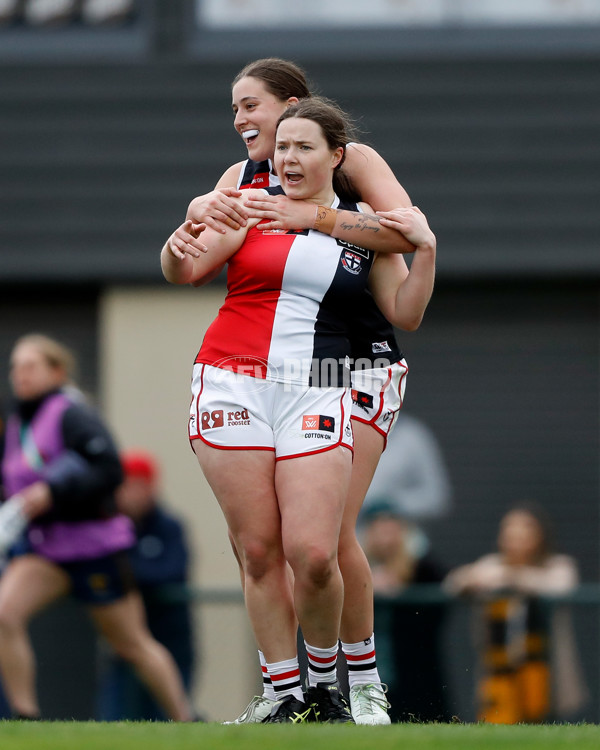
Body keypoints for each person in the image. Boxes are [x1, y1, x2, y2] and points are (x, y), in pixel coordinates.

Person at [166, 58, 436, 725]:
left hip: (353, 362)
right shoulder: (244, 181)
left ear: (293, 106)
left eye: (252, 106)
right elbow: (192, 251)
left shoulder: (351, 163)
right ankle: (291, 692)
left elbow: (406, 229)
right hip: (263, 367)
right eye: (235, 110)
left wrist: (309, 217)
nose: (242, 122)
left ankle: (360, 684)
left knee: (328, 539)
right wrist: (197, 216)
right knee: (263, 546)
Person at [0, 334, 194, 721]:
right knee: (4, 615)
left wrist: (53, 489)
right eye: (15, 367)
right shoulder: (18, 422)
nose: (20, 375)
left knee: (132, 644)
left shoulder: (72, 413)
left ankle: (185, 719)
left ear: (57, 371)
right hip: (46, 549)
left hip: (93, 548)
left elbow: (107, 468)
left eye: (31, 366)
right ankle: (26, 716)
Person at [444, 503, 588, 723]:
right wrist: (472, 581)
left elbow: (562, 585)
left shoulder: (557, 565)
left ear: (540, 536)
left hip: (546, 671)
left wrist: (511, 579)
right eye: (511, 531)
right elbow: (453, 583)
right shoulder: (492, 564)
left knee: (546, 724)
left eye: (525, 531)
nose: (517, 538)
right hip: (499, 674)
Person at [96, 449, 196, 721]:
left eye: (138, 484)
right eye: (125, 485)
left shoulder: (170, 526)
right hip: (124, 646)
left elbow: (170, 571)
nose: (131, 493)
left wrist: (129, 574)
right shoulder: (110, 526)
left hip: (171, 642)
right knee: (114, 721)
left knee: (168, 720)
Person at [361, 501, 450, 722]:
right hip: (369, 670)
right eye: (379, 528)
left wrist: (402, 588)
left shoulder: (422, 568)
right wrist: (367, 585)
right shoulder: (356, 569)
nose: (386, 536)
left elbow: (445, 589)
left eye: (391, 527)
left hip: (416, 674)